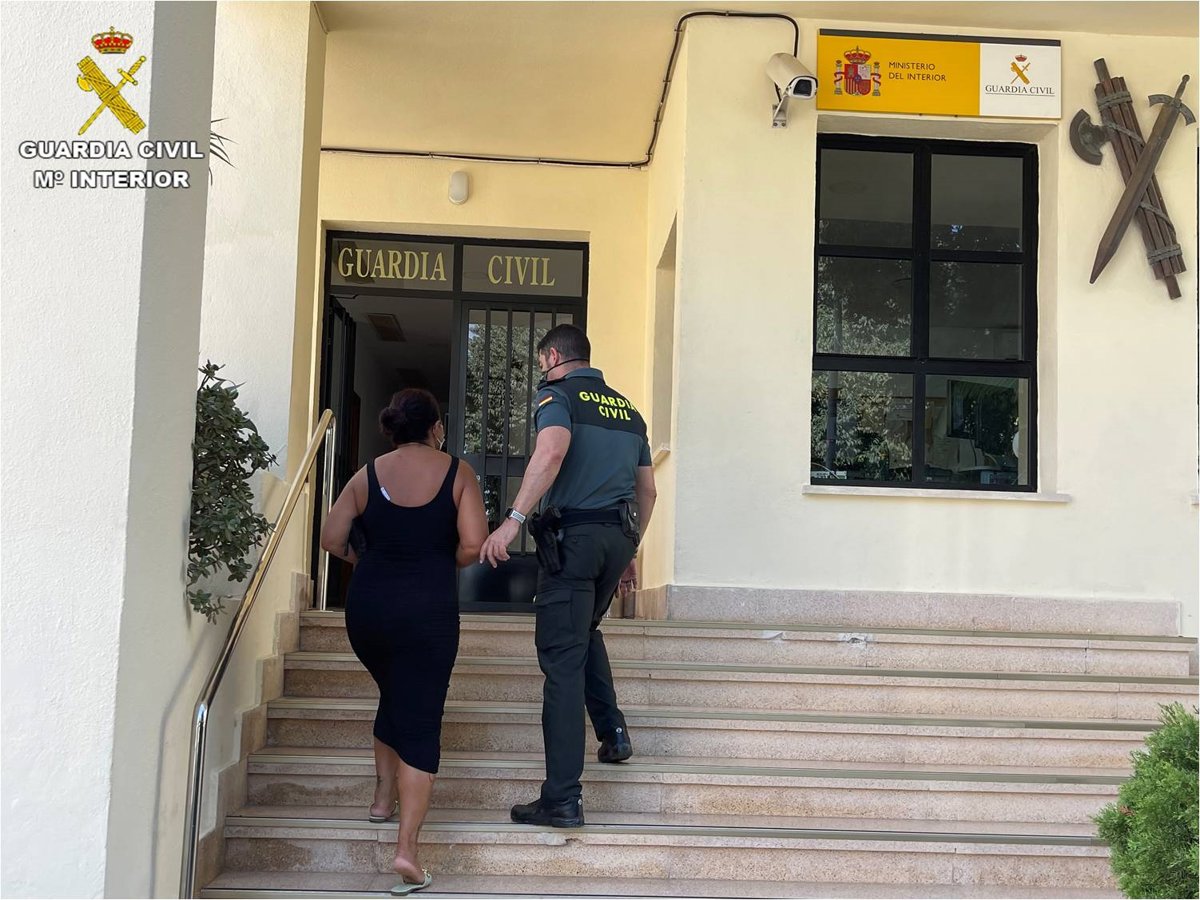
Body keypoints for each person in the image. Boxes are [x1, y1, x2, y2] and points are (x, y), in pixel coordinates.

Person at [480, 324, 657, 828]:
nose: (542, 372)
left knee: (561, 661)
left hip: (573, 543)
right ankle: (613, 732)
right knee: (584, 630)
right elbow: (647, 492)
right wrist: (631, 550)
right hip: (616, 539)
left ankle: (562, 797)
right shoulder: (628, 411)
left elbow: (551, 451)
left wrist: (512, 519)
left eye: (541, 363)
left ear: (553, 357)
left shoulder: (556, 397)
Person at [321, 388, 487, 895]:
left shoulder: (366, 475)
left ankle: (381, 799)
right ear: (436, 427)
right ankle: (407, 852)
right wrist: (436, 561)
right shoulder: (458, 473)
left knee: (395, 693)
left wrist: (370, 562)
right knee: (420, 720)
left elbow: (331, 538)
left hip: (369, 610)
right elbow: (473, 545)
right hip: (427, 610)